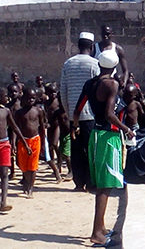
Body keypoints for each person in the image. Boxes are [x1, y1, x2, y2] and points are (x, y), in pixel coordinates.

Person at [72, 51, 134, 246]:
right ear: (114, 67)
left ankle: (100, 226)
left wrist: (74, 127)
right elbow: (109, 114)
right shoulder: (112, 84)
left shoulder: (90, 84)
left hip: (95, 136)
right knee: (105, 186)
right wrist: (126, 129)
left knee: (101, 183)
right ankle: (96, 232)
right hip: (109, 137)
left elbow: (77, 109)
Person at [60, 31, 100, 191]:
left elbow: (63, 91)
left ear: (78, 45)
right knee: (90, 149)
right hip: (90, 115)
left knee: (76, 150)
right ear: (91, 46)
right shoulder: (95, 64)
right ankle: (90, 183)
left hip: (73, 117)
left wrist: (69, 112)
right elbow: (98, 91)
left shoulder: (68, 64)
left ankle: (78, 182)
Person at [15, 87, 45, 198]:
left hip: (35, 140)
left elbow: (42, 127)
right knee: (23, 165)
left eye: (33, 98)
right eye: (28, 98)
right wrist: (13, 143)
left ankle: (30, 188)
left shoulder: (38, 111)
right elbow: (16, 129)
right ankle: (26, 182)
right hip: (23, 141)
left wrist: (43, 144)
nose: (30, 100)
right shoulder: (19, 113)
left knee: (33, 166)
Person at [6, 84, 22, 180]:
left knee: (20, 155)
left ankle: (24, 173)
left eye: (15, 92)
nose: (13, 94)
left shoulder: (21, 105)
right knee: (10, 154)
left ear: (20, 93)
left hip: (20, 132)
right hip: (9, 131)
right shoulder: (7, 107)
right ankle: (12, 172)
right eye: (11, 92)